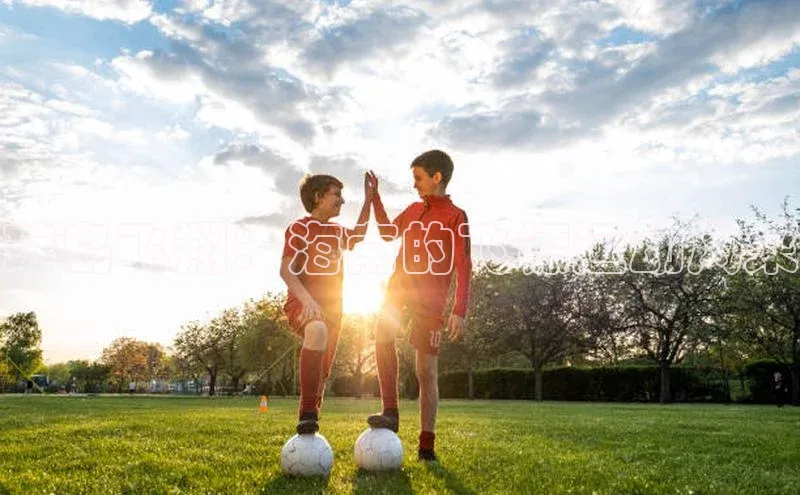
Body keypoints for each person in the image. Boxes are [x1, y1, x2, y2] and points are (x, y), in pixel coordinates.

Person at [367, 149, 472, 462]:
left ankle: (426, 445)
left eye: (418, 178)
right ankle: (390, 411)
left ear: (436, 177)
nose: (414, 184)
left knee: (425, 370)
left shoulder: (457, 216)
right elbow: (388, 233)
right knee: (381, 331)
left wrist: (459, 309)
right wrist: (375, 199)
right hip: (399, 288)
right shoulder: (413, 209)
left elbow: (464, 265)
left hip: (431, 301)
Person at [280, 172, 374, 435]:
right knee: (317, 329)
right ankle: (306, 412)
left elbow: (358, 235)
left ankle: (309, 427)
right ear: (318, 197)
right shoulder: (299, 228)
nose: (342, 201)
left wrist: (368, 200)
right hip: (303, 303)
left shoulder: (336, 231)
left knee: (322, 374)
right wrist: (307, 301)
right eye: (337, 195)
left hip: (334, 311)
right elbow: (286, 271)